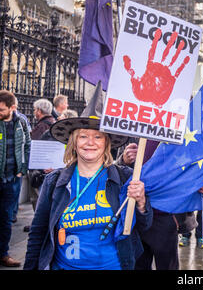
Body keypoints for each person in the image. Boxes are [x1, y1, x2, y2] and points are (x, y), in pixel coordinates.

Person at [23, 83, 152, 270]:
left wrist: (141, 203)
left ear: (106, 144)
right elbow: (38, 233)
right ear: (74, 143)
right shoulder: (55, 182)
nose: (90, 143)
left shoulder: (125, 178)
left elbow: (144, 226)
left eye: (98, 137)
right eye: (83, 136)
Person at [117, 139, 179, 270]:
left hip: (165, 214)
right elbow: (116, 167)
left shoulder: (176, 129)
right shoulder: (133, 130)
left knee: (167, 265)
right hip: (135, 215)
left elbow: (190, 163)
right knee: (139, 264)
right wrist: (124, 160)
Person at [0, 90, 31, 267]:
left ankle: (3, 254)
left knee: (6, 218)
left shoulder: (21, 122)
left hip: (12, 178)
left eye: (2, 109)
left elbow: (27, 144)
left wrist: (22, 170)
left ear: (12, 108)